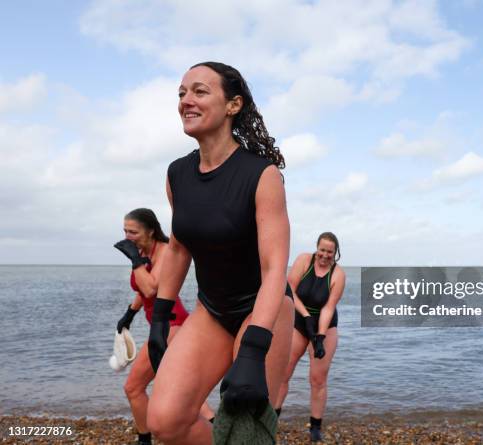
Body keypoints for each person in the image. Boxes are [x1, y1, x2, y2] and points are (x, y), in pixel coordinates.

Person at [145, 62, 294, 445]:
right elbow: (179, 246)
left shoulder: (262, 175)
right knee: (165, 421)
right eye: (181, 93)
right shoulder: (177, 173)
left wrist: (254, 347)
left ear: (233, 105)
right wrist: (160, 319)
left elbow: (275, 268)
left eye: (199, 91)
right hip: (213, 310)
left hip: (266, 309)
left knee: (246, 430)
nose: (186, 101)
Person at [113, 208, 214, 445]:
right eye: (125, 231)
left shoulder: (167, 251)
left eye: (133, 231)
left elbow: (151, 288)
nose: (128, 236)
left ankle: (144, 439)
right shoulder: (141, 251)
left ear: (150, 230)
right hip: (163, 327)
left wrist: (136, 261)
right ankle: (217, 431)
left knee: (134, 388)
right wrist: (130, 313)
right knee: (187, 395)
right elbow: (141, 291)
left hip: (173, 326)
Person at [275, 232, 345, 442]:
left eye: (330, 252)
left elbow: (328, 308)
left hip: (326, 325)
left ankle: (315, 427)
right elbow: (290, 290)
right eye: (322, 250)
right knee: (283, 373)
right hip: (299, 322)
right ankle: (271, 419)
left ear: (336, 253)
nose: (325, 255)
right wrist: (305, 317)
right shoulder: (304, 260)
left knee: (318, 379)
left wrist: (320, 337)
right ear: (317, 248)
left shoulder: (338, 275)